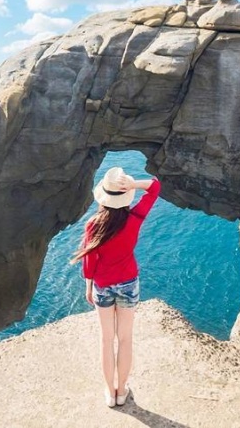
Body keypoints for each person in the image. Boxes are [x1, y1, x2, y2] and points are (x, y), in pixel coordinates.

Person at [70, 166, 161, 408]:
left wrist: (89, 286)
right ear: (125, 195)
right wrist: (134, 185)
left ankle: (110, 394)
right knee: (126, 339)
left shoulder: (94, 224)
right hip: (129, 283)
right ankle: (122, 390)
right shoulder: (135, 218)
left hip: (102, 285)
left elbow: (90, 260)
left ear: (104, 196)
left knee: (106, 339)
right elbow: (155, 188)